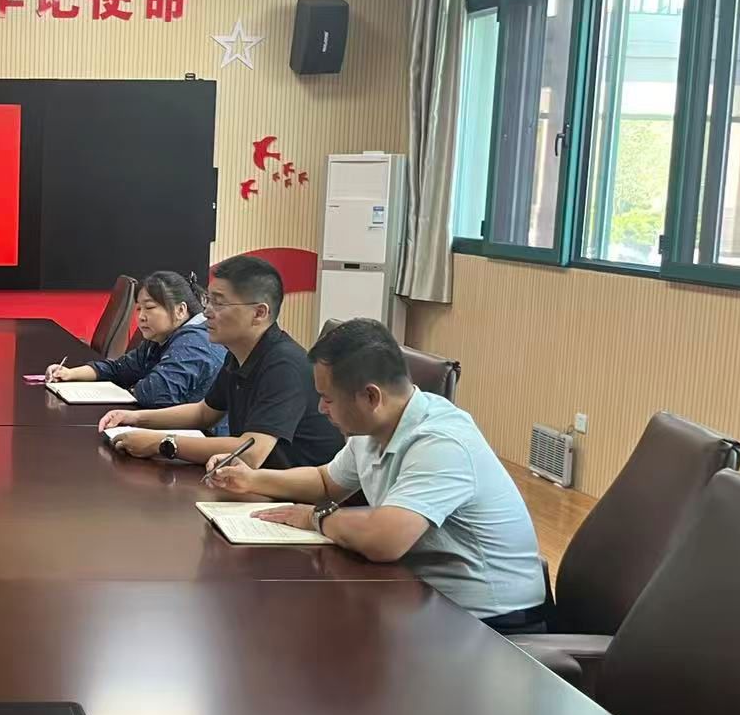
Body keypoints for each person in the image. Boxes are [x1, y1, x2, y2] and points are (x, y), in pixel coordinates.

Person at [209, 319, 547, 628]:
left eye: (327, 399)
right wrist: (251, 478)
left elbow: (385, 540)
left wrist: (315, 518)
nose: (320, 408)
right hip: (420, 596)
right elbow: (327, 482)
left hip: (491, 624)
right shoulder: (374, 428)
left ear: (371, 396)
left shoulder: (442, 443)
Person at [98, 254, 342, 470]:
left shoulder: (283, 364)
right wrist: (135, 419)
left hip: (294, 495)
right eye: (208, 301)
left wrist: (162, 443)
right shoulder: (239, 353)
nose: (207, 312)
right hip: (251, 482)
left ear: (259, 313)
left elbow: (251, 452)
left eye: (219, 303)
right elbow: (204, 413)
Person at [45, 271, 225, 409]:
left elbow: (154, 395)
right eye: (138, 309)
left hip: (203, 440)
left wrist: (132, 388)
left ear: (180, 310)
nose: (141, 317)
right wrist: (70, 374)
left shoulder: (195, 342)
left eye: (149, 308)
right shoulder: (160, 336)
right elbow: (119, 369)